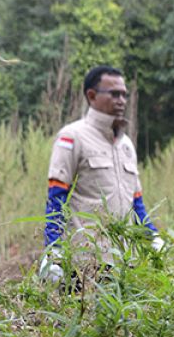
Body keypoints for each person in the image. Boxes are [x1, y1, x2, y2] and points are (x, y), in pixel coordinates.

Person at [41, 65, 162, 284]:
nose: (121, 100)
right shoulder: (72, 138)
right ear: (92, 95)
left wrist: (153, 235)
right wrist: (53, 251)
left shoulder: (126, 145)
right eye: (114, 94)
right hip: (83, 262)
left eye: (124, 95)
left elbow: (136, 204)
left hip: (123, 261)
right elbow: (56, 197)